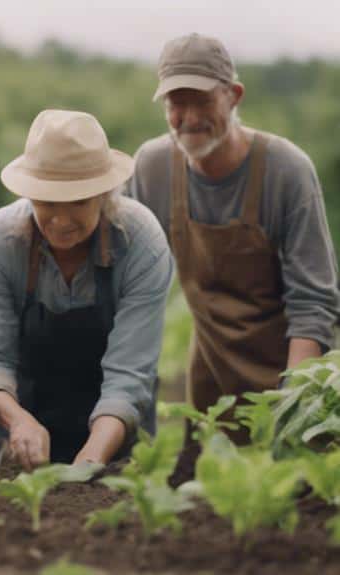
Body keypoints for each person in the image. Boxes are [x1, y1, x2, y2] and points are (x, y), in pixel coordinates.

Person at [128, 34, 340, 422]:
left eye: (203, 101)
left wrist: (294, 409)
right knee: (213, 478)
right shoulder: (153, 168)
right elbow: (126, 281)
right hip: (211, 382)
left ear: (234, 95)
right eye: (177, 103)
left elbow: (313, 304)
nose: (189, 118)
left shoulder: (286, 171)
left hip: (294, 376)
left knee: (293, 482)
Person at [0, 110, 173, 469]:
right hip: (19, 428)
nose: (60, 220)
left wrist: (92, 458)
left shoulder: (140, 243)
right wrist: (18, 421)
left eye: (78, 201)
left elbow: (130, 375)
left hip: (113, 434)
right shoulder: (0, 241)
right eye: (46, 202)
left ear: (105, 194)